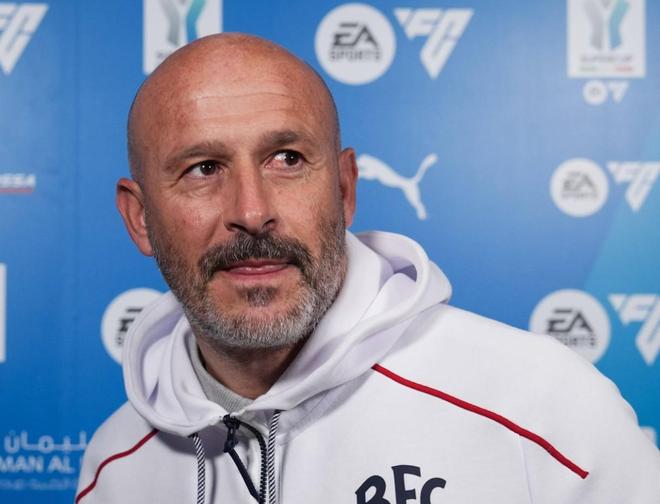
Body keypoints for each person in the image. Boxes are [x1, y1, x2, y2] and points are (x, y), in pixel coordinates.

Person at [75, 33, 660, 504]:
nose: (251, 212)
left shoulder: (541, 408)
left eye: (287, 159)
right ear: (140, 218)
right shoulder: (114, 467)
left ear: (345, 189)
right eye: (203, 168)